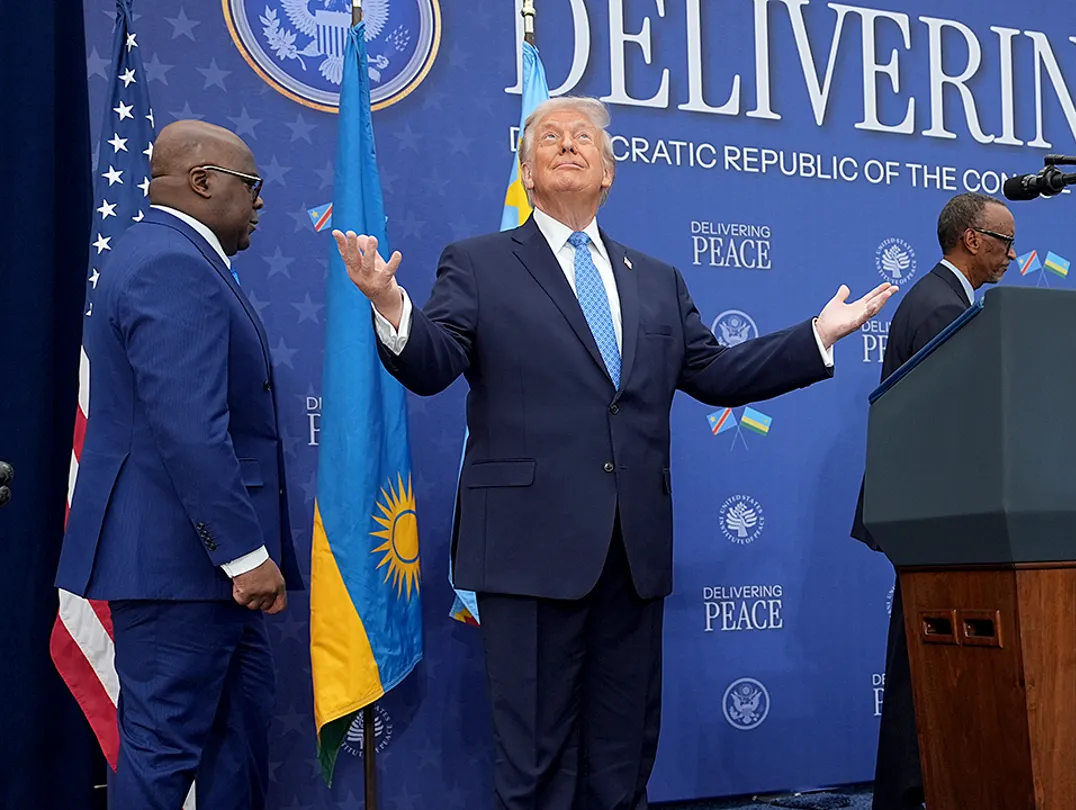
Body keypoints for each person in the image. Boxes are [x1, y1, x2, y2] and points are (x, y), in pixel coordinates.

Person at [331, 94, 896, 810]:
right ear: (528, 173)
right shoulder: (477, 264)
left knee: (621, 759)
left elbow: (716, 374)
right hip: (527, 554)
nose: (568, 146)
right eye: (550, 139)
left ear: (609, 172)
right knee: (534, 762)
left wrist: (817, 333)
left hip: (632, 555)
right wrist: (389, 304)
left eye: (584, 140)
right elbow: (434, 361)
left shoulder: (655, 279)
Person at [56, 120, 303, 810]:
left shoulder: (173, 259)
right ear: (202, 182)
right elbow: (191, 429)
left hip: (198, 571)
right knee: (162, 763)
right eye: (251, 187)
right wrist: (245, 554)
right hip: (182, 568)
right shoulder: (170, 264)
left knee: (234, 752)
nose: (260, 203)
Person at [850, 192, 1017, 810]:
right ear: (972, 239)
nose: (1011, 257)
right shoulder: (942, 308)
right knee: (922, 657)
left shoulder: (939, 300)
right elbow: (956, 420)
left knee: (920, 653)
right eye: (1004, 243)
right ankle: (911, 785)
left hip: (930, 511)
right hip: (937, 514)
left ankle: (916, 783)